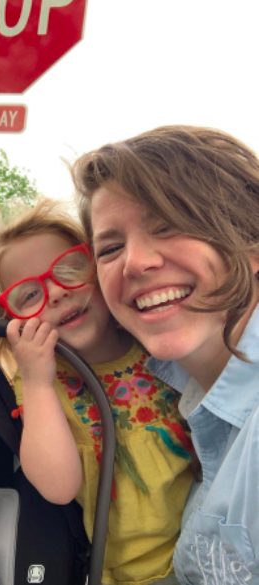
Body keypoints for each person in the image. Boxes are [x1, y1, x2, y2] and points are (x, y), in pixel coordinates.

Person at [0, 199, 193, 585]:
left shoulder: (158, 344)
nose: (55, 293)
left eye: (69, 269)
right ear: (12, 324)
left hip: (215, 542)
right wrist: (37, 381)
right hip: (133, 576)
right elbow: (58, 487)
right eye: (28, 295)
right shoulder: (42, 385)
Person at [72, 124, 259, 584]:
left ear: (250, 243)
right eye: (110, 248)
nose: (135, 262)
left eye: (170, 226)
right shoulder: (183, 393)